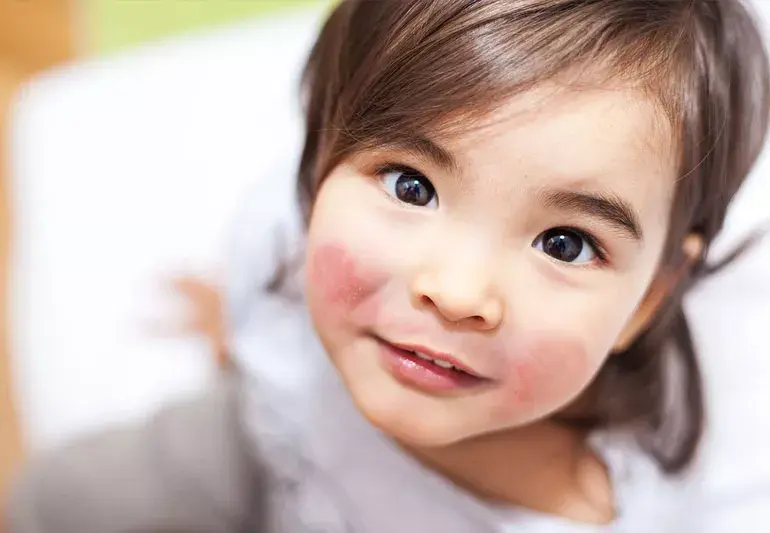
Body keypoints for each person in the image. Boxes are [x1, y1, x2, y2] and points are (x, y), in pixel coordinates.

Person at [4, 0, 770, 531]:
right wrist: (247, 314)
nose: (458, 291)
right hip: (257, 432)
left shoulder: (612, 510)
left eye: (564, 242)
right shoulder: (285, 232)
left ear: (649, 298)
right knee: (57, 500)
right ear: (318, 169)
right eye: (414, 185)